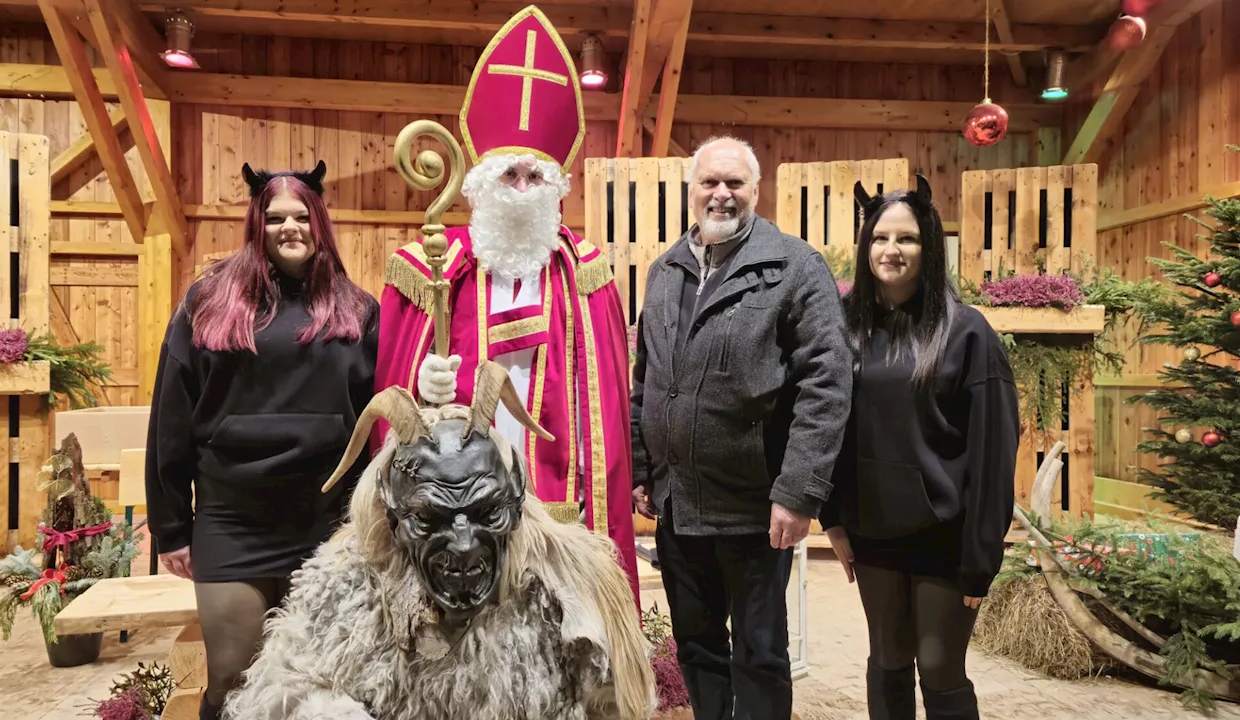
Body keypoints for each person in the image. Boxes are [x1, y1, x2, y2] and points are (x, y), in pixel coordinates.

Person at [371, 5, 641, 606]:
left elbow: (612, 409)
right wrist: (422, 381)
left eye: (534, 177)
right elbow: (394, 384)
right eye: (509, 176)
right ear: (479, 185)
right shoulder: (429, 270)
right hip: (461, 488)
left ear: (556, 188)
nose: (522, 190)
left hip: (556, 481)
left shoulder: (586, 271)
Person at [222, 361, 657, 720]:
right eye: (432, 519)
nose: (464, 546)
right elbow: (285, 689)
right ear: (393, 514)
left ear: (515, 498)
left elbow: (616, 704)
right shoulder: (346, 585)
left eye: (486, 513)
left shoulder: (569, 588)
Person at [144, 160, 380, 720]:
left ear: (319, 222)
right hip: (233, 523)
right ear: (257, 223)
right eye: (275, 218)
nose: (289, 228)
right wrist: (172, 527)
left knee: (325, 679)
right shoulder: (208, 303)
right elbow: (171, 420)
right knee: (233, 679)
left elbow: (380, 418)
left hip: (328, 528)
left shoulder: (357, 310)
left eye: (301, 216)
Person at [629, 135, 855, 719]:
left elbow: (826, 386)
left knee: (758, 652)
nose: (721, 194)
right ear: (691, 192)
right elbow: (646, 377)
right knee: (697, 647)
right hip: (679, 502)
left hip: (756, 507)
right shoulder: (665, 271)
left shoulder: (795, 267)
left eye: (735, 183)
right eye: (710, 182)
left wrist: (798, 491)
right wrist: (641, 467)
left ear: (756, 190)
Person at [819, 176, 1020, 720]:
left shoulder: (968, 333)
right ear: (865, 248)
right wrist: (833, 518)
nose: (891, 250)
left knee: (938, 666)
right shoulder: (843, 329)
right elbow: (824, 427)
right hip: (872, 531)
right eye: (880, 238)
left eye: (906, 239)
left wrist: (981, 556)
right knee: (886, 660)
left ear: (928, 247)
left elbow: (995, 451)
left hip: (945, 539)